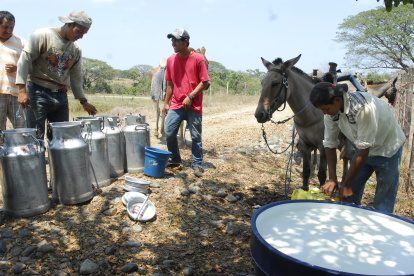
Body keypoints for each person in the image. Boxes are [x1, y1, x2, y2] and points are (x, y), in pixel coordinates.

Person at [310, 82, 405, 213]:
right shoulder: (331, 113)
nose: (324, 113)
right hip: (363, 150)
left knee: (383, 201)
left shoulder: (363, 108)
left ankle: (379, 228)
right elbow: (330, 144)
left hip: (387, 148)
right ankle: (349, 224)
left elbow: (364, 150)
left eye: (326, 109)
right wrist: (332, 179)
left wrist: (346, 184)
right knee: (348, 195)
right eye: (321, 110)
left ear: (337, 100)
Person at [16, 10, 97, 139]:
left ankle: (56, 160)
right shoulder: (42, 36)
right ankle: (38, 160)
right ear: (69, 24)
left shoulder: (76, 49)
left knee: (61, 137)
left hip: (61, 95)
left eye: (84, 33)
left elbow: (76, 76)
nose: (81, 36)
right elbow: (24, 60)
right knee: (35, 136)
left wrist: (84, 101)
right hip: (38, 92)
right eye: (79, 31)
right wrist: (21, 91)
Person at [163, 28, 210, 176]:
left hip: (193, 104)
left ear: (186, 41)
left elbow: (205, 82)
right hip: (177, 103)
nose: (173, 44)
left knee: (195, 136)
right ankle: (175, 159)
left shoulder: (198, 59)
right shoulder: (171, 60)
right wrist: (166, 102)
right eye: (172, 41)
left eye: (176, 41)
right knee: (169, 132)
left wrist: (190, 97)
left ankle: (197, 163)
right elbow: (170, 83)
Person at [0, 11, 26, 131]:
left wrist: (18, 67)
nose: (9, 31)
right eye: (5, 27)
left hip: (16, 92)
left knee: (21, 129)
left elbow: (31, 64)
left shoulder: (21, 42)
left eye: (11, 27)